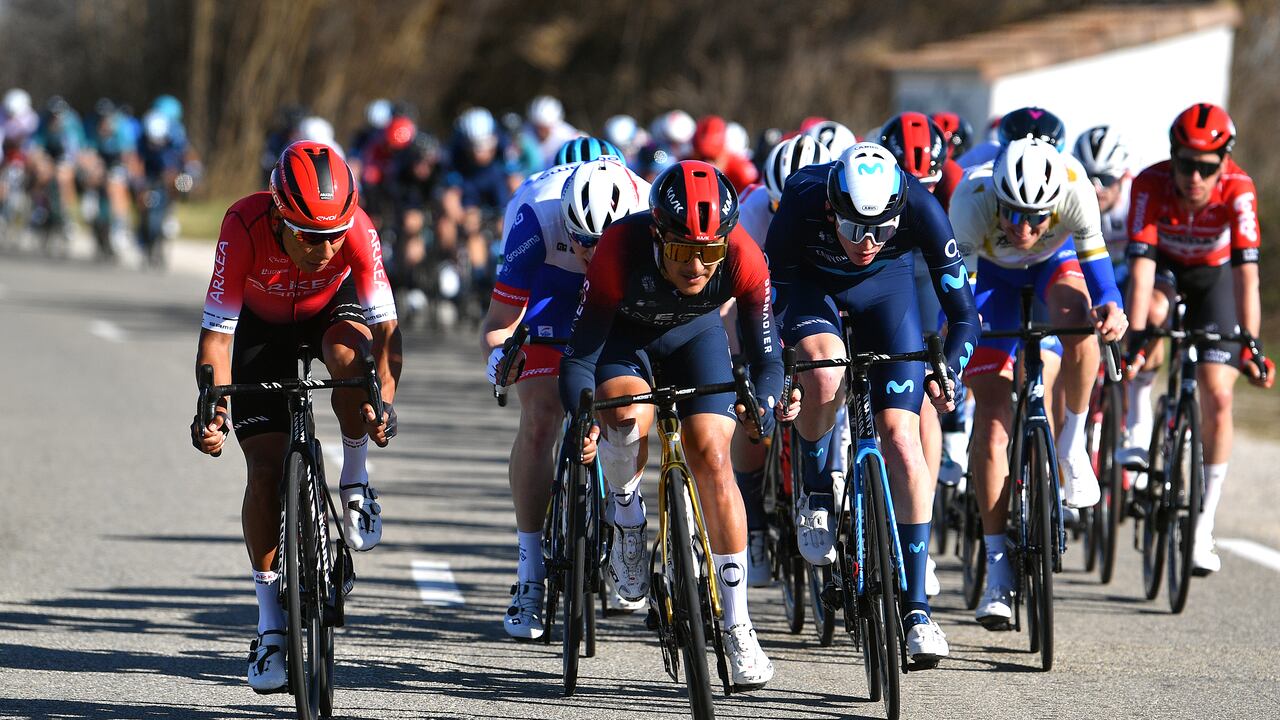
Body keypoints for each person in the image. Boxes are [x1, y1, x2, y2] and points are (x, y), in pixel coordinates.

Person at [560, 160, 794, 688]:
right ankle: (625, 517)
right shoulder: (619, 250)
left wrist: (765, 400)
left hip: (696, 338)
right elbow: (579, 358)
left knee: (713, 454)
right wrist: (582, 416)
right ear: (657, 235)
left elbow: (766, 357)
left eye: (709, 253)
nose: (696, 267)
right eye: (684, 251)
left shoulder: (744, 258)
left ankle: (737, 623)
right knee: (623, 417)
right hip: (625, 342)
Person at [191, 141, 400, 693]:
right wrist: (211, 409)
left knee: (350, 362)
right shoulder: (243, 225)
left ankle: (354, 479)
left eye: (335, 235)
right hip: (262, 331)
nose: (326, 248)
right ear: (280, 217)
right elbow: (217, 337)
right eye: (310, 235)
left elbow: (386, 336)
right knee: (264, 471)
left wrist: (384, 404)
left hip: (333, 312)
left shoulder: (355, 233)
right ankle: (270, 627)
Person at [767, 142, 979, 665]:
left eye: (883, 230)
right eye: (855, 227)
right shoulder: (801, 196)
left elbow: (964, 315)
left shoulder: (922, 207)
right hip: (809, 289)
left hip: (887, 295)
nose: (867, 242)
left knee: (904, 442)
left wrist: (948, 367)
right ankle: (815, 490)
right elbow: (765, 299)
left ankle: (918, 609)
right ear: (831, 206)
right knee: (825, 372)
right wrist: (777, 369)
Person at [949, 137, 1128, 628]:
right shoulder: (971, 198)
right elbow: (959, 301)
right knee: (991, 420)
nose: (1022, 228)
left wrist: (1112, 308)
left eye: (1036, 218)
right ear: (997, 200)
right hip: (989, 280)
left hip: (1054, 267)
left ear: (1055, 206)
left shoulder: (1075, 189)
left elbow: (1101, 276)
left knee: (1080, 322)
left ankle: (1071, 447)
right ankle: (998, 570)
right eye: (1012, 214)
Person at [482, 156, 650, 639]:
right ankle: (530, 575)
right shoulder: (535, 215)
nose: (591, 254)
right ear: (566, 226)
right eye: (583, 241)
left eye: (602, 244)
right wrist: (500, 363)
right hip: (552, 289)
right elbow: (497, 326)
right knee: (540, 416)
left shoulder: (646, 207)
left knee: (628, 407)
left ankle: (624, 517)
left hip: (624, 289)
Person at [1121, 102, 1274, 574]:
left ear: (1224, 162)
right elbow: (1142, 272)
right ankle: (1138, 421)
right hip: (1164, 272)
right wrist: (1138, 338)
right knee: (1151, 315)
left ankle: (1202, 527)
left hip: (1214, 279)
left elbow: (1248, 277)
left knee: (1219, 395)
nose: (1194, 177)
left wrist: (1250, 343)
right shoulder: (1150, 183)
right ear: (1173, 158)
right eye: (1185, 164)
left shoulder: (1239, 191)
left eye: (1206, 167)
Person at [731, 134, 835, 586]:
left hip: (820, 291)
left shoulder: (838, 201)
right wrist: (742, 360)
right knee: (750, 405)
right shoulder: (752, 211)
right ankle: (754, 523)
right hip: (761, 299)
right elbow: (734, 299)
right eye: (779, 206)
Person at [1072, 126, 1133, 288]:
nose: (1096, 188)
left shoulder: (1135, 199)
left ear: (1124, 176)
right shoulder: (1071, 198)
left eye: (1105, 179)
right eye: (1088, 177)